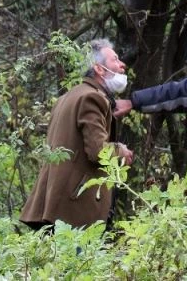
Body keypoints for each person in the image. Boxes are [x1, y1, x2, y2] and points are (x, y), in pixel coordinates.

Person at [20, 38, 134, 231]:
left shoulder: (68, 97)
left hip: (54, 207)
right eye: (115, 59)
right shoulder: (92, 97)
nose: (122, 65)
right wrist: (121, 151)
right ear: (99, 69)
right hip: (75, 211)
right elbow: (98, 152)